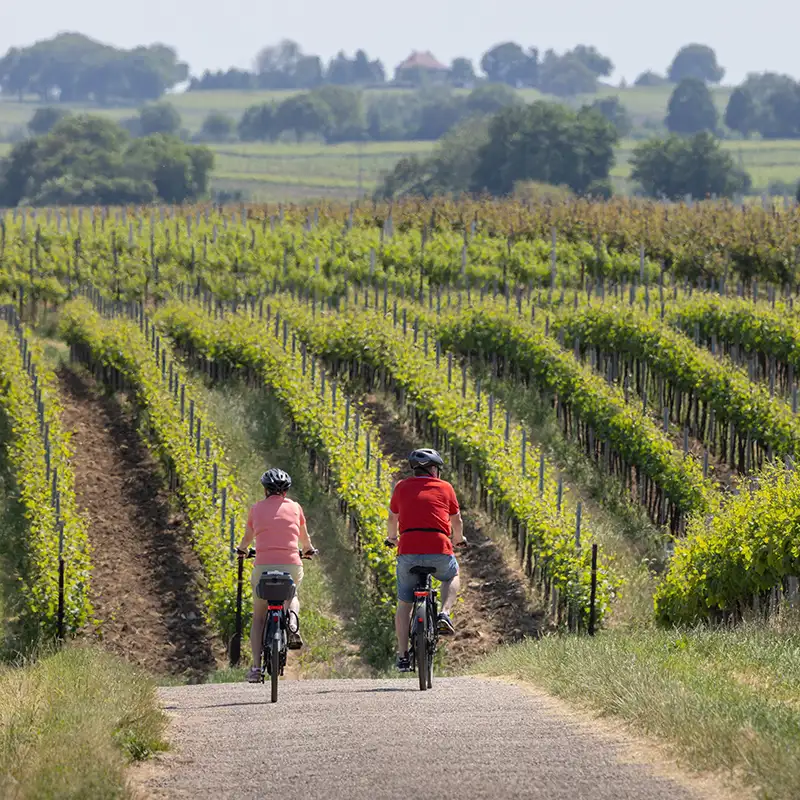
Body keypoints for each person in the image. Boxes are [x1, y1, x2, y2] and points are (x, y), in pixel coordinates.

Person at [386, 448, 466, 672]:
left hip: (408, 550)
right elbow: (456, 520)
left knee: (404, 604)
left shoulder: (401, 487)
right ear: (433, 470)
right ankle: (444, 613)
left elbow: (393, 517)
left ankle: (402, 656)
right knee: (452, 575)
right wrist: (459, 539)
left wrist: (392, 538)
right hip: (438, 547)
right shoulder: (445, 487)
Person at [236, 468, 316, 683]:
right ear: (286, 491)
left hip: (263, 567)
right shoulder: (296, 508)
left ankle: (255, 668)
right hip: (290, 566)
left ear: (265, 489)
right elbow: (305, 539)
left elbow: (247, 539)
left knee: (259, 617)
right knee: (293, 596)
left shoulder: (256, 509)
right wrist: (308, 550)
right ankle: (291, 620)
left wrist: (242, 550)